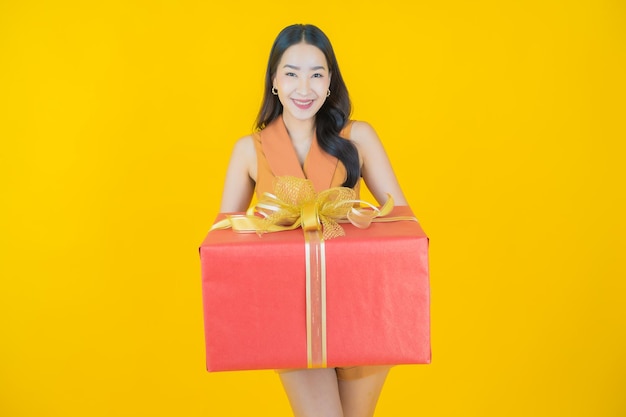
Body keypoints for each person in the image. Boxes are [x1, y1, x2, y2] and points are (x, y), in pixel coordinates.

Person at [218, 24, 408, 417]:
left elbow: (403, 224)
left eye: (316, 74)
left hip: (361, 304)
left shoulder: (358, 137)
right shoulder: (249, 151)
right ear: (274, 79)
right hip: (290, 312)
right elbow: (224, 242)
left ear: (329, 82)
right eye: (291, 73)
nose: (303, 87)